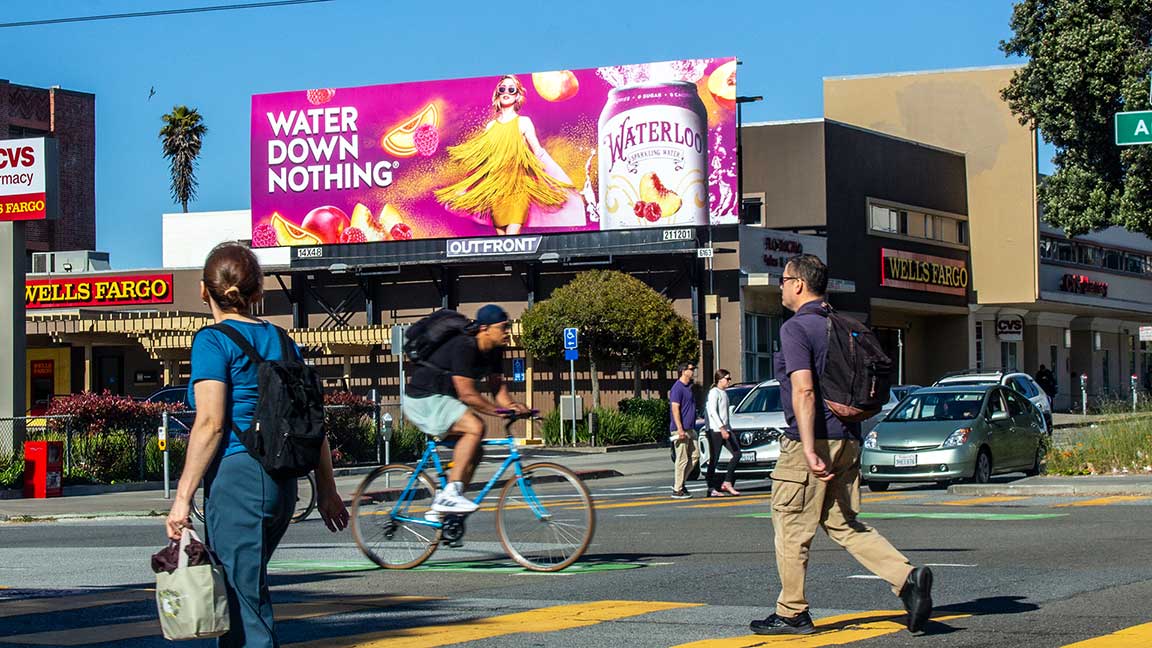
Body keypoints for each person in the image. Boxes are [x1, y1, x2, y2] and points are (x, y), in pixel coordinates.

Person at [166, 242, 348, 648]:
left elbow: (211, 423)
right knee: (240, 596)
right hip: (282, 483)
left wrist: (181, 499)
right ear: (258, 292)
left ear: (203, 290)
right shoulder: (282, 340)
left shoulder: (212, 341)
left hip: (239, 481)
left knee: (243, 606)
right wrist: (327, 489)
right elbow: (310, 419)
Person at [752, 254, 933, 636]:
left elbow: (804, 390)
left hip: (811, 440)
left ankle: (792, 612)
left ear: (799, 284)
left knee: (791, 526)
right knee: (843, 523)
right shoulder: (845, 324)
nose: (781, 286)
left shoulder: (796, 328)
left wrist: (808, 447)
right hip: (849, 438)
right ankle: (906, 579)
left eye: (783, 279)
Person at [403, 304, 529, 513]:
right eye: (503, 327)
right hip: (424, 398)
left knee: (476, 451)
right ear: (484, 328)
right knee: (475, 427)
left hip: (443, 400)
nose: (507, 332)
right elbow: (467, 394)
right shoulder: (465, 345)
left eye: (508, 327)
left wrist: (513, 406)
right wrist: (499, 412)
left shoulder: (495, 350)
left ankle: (443, 510)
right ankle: (450, 495)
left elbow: (497, 387)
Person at [434, 74, 582, 236]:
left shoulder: (524, 122)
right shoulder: (491, 126)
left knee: (512, 237)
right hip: (497, 192)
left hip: (519, 189)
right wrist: (465, 188)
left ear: (517, 95)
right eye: (502, 89)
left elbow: (538, 152)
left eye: (511, 89)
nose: (506, 92)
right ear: (497, 94)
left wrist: (554, 178)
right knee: (503, 242)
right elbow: (485, 162)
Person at [705, 369, 742, 497]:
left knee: (737, 454)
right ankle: (711, 487)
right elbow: (712, 412)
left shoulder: (724, 393)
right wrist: (721, 428)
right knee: (714, 459)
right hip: (715, 431)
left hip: (726, 429)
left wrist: (728, 429)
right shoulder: (714, 392)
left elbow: (725, 415)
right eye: (727, 378)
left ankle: (727, 482)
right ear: (720, 380)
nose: (729, 381)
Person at [669, 362, 700, 499]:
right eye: (691, 369)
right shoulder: (678, 388)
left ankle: (680, 482)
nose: (693, 371)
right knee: (682, 459)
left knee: (695, 456)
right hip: (680, 430)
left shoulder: (689, 387)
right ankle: (677, 489)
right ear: (683, 371)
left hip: (690, 429)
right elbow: (675, 409)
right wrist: (680, 429)